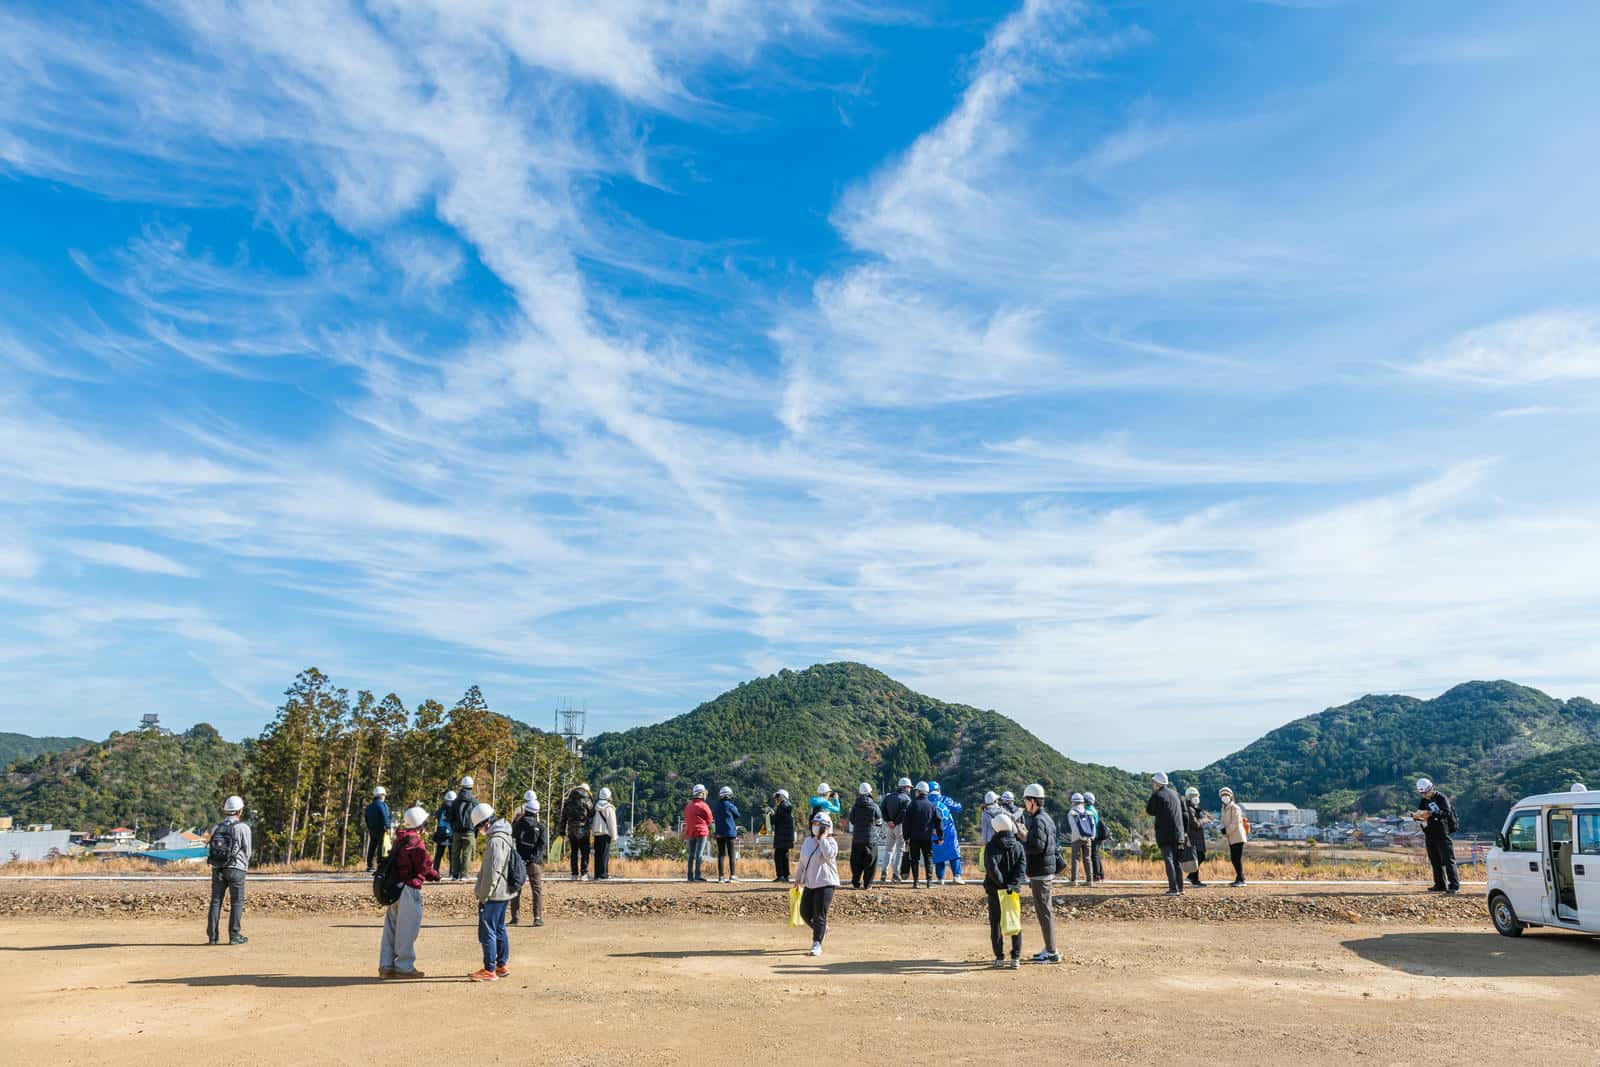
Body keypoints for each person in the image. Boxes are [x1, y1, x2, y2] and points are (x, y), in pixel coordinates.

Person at [380, 805, 440, 978]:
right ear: (420, 824)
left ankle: (386, 966)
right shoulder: (415, 843)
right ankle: (404, 967)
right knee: (407, 930)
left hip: (394, 889)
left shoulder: (400, 839)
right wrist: (435, 875)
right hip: (409, 888)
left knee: (391, 928)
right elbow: (425, 867)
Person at [469, 801, 514, 982]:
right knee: (499, 927)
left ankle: (489, 969)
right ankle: (501, 965)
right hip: (505, 890)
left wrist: (483, 894)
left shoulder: (495, 841)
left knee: (487, 928)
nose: (479, 831)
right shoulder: (505, 835)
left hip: (494, 892)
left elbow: (491, 872)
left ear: (485, 823)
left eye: (479, 827)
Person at [1020, 783, 1060, 964]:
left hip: (1040, 872)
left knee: (1044, 912)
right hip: (1045, 870)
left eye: (1026, 800)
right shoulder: (1046, 818)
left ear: (1033, 801)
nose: (1025, 804)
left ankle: (1052, 953)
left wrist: (1023, 839)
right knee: (1045, 911)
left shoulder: (1038, 820)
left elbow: (1037, 847)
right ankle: (1048, 948)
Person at [793, 810, 841, 956]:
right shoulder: (808, 842)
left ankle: (817, 943)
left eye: (818, 825)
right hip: (811, 882)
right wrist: (798, 878)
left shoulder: (832, 842)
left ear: (826, 827)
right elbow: (803, 861)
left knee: (819, 914)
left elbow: (828, 855)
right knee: (804, 912)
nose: (815, 826)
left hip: (826, 882)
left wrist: (823, 838)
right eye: (814, 824)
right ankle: (822, 929)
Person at [206, 794, 252, 946]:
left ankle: (213, 937)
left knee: (215, 902)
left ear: (225, 811)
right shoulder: (243, 828)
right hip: (237, 869)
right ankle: (234, 936)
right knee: (237, 902)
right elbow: (248, 851)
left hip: (217, 868)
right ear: (240, 811)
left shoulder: (216, 828)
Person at [983, 812, 1027, 969]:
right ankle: (1016, 958)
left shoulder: (991, 847)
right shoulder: (1018, 846)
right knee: (1014, 922)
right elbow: (1021, 868)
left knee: (996, 924)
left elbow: (991, 869)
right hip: (1012, 890)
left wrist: (1001, 885)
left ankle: (999, 958)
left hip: (995, 890)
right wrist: (1011, 885)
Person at [1414, 778, 1460, 894]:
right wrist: (1417, 816)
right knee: (1435, 860)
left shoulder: (1441, 798)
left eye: (1426, 792)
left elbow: (1447, 812)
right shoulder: (1423, 801)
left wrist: (1432, 813)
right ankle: (1439, 884)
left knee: (1448, 860)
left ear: (1431, 788)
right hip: (1429, 833)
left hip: (1442, 832)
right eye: (1422, 793)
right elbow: (1420, 812)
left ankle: (1453, 885)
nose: (1425, 795)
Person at [510, 794, 546, 925]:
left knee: (516, 888)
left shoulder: (518, 823)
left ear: (526, 809)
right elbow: (542, 844)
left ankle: (515, 917)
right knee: (536, 889)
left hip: (519, 860)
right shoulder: (540, 825)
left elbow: (513, 840)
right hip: (534, 862)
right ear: (537, 811)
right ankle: (537, 917)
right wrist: (534, 858)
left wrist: (517, 858)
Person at [1146, 773, 1185, 895]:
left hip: (1165, 834)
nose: (1153, 785)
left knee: (1169, 860)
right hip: (1179, 833)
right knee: (1177, 861)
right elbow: (1185, 814)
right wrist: (1185, 832)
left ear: (1157, 783)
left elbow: (1149, 810)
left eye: (1154, 783)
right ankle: (1181, 888)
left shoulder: (1157, 795)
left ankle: (1173, 888)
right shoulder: (1176, 794)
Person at [900, 781, 941, 888]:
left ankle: (916, 882)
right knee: (928, 858)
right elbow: (938, 821)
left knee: (914, 859)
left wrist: (906, 837)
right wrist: (941, 836)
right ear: (926, 792)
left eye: (916, 791)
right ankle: (929, 882)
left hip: (914, 838)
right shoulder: (931, 806)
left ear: (918, 792)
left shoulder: (912, 805)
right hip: (927, 837)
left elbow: (906, 823)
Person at [847, 782, 883, 889]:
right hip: (871, 840)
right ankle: (867, 884)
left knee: (856, 862)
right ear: (869, 793)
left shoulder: (855, 806)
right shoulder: (874, 806)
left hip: (857, 839)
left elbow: (852, 820)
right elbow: (879, 822)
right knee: (871, 863)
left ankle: (856, 883)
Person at [930, 782, 965, 884]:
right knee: (954, 853)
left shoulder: (926, 801)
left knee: (938, 855)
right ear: (938, 790)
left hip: (933, 833)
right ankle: (957, 876)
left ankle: (940, 879)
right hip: (949, 831)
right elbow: (958, 807)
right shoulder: (945, 799)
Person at [559, 783, 595, 881]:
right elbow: (592, 813)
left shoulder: (568, 801)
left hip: (571, 830)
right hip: (584, 829)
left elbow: (563, 817)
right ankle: (584, 873)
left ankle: (574, 874)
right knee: (585, 852)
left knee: (574, 852)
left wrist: (562, 832)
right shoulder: (587, 799)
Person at [881, 777, 912, 883]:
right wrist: (895, 822)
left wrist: (888, 820)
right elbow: (903, 813)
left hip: (889, 827)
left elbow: (882, 809)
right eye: (909, 787)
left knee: (888, 850)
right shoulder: (907, 799)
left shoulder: (888, 797)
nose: (910, 789)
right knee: (899, 851)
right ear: (905, 787)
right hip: (900, 826)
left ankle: (884, 873)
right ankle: (895, 874)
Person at [449, 777, 478, 882]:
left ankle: (455, 875)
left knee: (455, 853)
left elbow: (451, 816)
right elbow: (478, 817)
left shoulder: (456, 801)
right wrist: (475, 830)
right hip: (470, 831)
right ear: (471, 786)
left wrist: (454, 827)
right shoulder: (475, 801)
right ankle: (464, 875)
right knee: (467, 853)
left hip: (457, 831)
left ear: (461, 786)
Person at [683, 784, 714, 882]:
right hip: (701, 831)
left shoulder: (688, 806)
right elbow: (710, 819)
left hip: (691, 831)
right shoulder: (704, 806)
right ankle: (697, 875)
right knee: (699, 854)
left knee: (691, 854)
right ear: (701, 793)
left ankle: (689, 876)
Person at [1218, 787, 1248, 887]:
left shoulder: (1235, 807)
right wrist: (1222, 829)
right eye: (1222, 795)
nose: (1225, 797)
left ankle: (1241, 879)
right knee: (1234, 858)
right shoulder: (1223, 808)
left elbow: (1235, 823)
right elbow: (1222, 822)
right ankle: (1239, 878)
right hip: (1232, 837)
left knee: (1236, 859)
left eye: (1226, 795)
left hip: (1238, 836)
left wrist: (1226, 831)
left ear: (1231, 796)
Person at [1182, 787, 1210, 888]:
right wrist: (1205, 820)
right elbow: (1195, 824)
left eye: (1197, 796)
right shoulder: (1190, 809)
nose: (1196, 798)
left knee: (1200, 857)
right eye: (1193, 796)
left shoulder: (1194, 809)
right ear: (1189, 798)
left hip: (1197, 838)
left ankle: (1192, 877)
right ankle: (1195, 880)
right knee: (1198, 858)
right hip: (1193, 838)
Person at [712, 786, 741, 882]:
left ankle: (721, 877)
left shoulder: (716, 806)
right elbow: (737, 815)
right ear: (728, 796)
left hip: (719, 832)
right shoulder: (730, 805)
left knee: (721, 855)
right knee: (731, 854)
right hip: (729, 833)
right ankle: (732, 876)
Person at [590, 786, 619, 880]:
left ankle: (597, 874)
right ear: (609, 796)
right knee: (605, 855)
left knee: (597, 855)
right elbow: (612, 822)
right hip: (605, 833)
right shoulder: (609, 807)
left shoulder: (595, 806)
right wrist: (614, 836)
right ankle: (604, 874)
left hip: (596, 834)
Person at [1067, 793, 1095, 887]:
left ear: (1074, 802)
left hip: (1076, 839)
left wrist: (1078, 837)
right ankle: (1090, 880)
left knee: (1075, 859)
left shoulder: (1072, 813)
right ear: (1082, 802)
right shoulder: (1088, 812)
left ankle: (1074, 880)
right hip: (1088, 838)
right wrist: (1092, 836)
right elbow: (1093, 825)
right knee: (1087, 859)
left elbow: (1073, 827)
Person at [364, 786, 391, 873]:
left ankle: (369, 865)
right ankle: (380, 865)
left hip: (372, 829)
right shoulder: (382, 805)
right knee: (381, 847)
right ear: (382, 795)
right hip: (381, 829)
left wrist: (369, 827)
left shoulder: (369, 807)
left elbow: (366, 818)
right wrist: (387, 827)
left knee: (372, 846)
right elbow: (385, 816)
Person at [770, 789, 795, 882]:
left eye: (777, 797)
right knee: (785, 855)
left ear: (782, 797)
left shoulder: (781, 808)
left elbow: (775, 821)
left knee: (778, 855)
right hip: (788, 836)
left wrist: (772, 815)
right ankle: (786, 875)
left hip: (781, 836)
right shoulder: (788, 807)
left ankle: (780, 876)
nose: (776, 799)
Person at [1084, 791, 1107, 883]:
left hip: (1094, 836)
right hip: (1098, 835)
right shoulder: (1094, 809)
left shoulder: (1088, 810)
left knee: (1094, 856)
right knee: (1096, 856)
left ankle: (1096, 876)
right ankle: (1101, 875)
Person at [432, 790, 456, 877]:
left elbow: (437, 817)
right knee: (451, 856)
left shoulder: (441, 809)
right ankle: (452, 873)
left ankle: (435, 872)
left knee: (439, 855)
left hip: (441, 835)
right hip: (450, 835)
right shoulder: (454, 810)